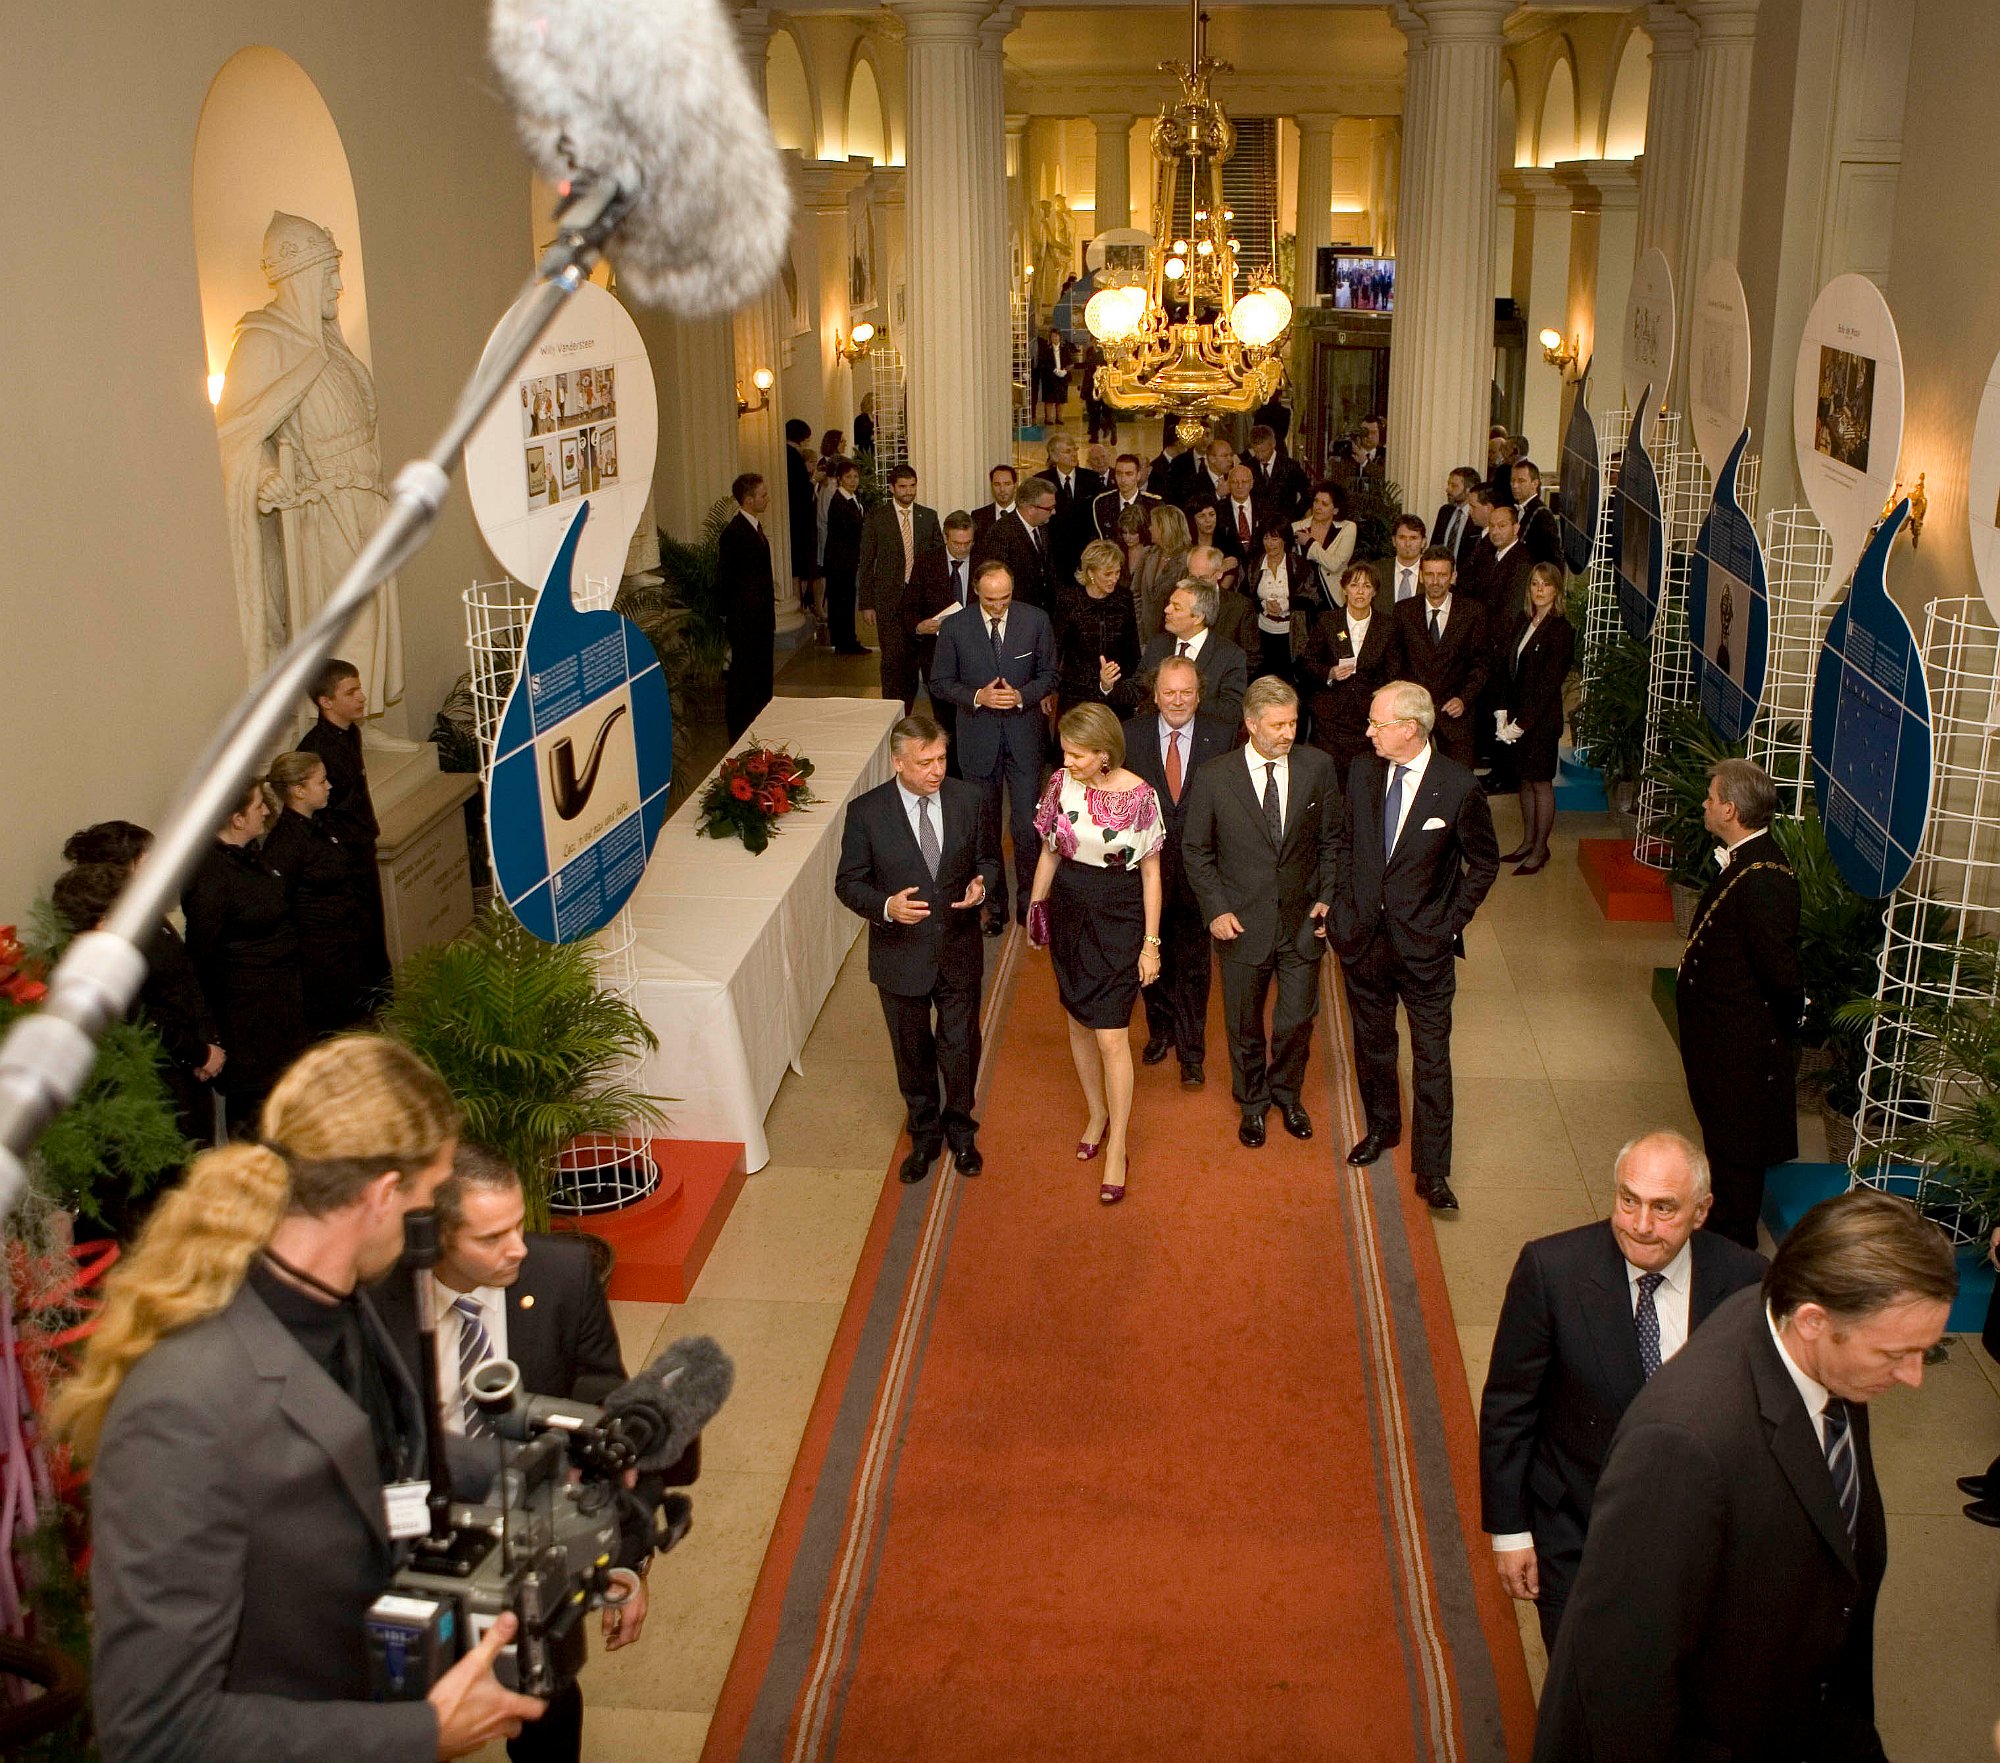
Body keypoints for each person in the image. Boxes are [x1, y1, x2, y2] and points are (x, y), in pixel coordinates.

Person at [60, 1035, 546, 1763]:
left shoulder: (339, 1304)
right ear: (383, 1195)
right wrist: (421, 1734)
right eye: (425, 1199)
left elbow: (384, 1460)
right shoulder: (180, 1409)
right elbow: (155, 1732)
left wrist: (546, 1459)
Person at [1531, 1187, 1958, 1763]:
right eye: (1896, 1354)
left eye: (1923, 1353)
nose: (1912, 1377)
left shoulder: (1820, 1347)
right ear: (1812, 1321)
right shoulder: (1681, 1446)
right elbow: (1621, 1677)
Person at [370, 1143, 639, 1763]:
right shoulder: (377, 1304)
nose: (518, 1247)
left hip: (533, 1542)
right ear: (436, 1238)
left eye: (519, 1225)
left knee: (544, 1704)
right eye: (492, 1237)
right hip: (419, 1542)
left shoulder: (563, 1275)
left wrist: (623, 1560)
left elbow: (605, 1415)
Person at [1479, 1131, 1766, 1649]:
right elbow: (1509, 1406)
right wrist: (1511, 1532)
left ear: (1701, 1212)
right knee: (1582, 1694)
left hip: (1694, 1538)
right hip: (1577, 1530)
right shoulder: (1552, 1271)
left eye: (1664, 1208)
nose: (1640, 1226)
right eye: (1628, 1199)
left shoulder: (1748, 1283)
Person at [1328, 680, 1500, 1209]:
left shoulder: (1457, 786)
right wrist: (1339, 906)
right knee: (1374, 1045)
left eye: (1377, 724)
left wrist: (1449, 924)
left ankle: (1433, 1169)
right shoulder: (1361, 770)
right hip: (1364, 940)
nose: (1368, 731)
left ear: (1409, 728)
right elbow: (1344, 840)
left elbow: (1484, 862)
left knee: (1431, 1059)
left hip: (1425, 947)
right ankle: (1383, 1129)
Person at [835, 715, 998, 1182]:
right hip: (899, 956)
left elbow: (988, 857)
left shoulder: (969, 799)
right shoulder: (866, 812)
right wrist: (886, 906)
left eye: (942, 758)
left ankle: (962, 1133)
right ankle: (924, 1136)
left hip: (958, 949)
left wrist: (981, 887)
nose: (937, 770)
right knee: (912, 1052)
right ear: (898, 762)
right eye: (925, 762)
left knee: (961, 1045)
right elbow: (848, 883)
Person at [1181, 677, 1341, 1149]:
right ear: (1250, 724)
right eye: (1277, 725)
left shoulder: (1318, 767)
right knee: (1244, 1024)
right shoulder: (1214, 776)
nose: (1288, 733)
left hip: (1301, 923)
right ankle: (1252, 1103)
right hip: (1241, 925)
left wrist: (1328, 893)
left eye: (1293, 722)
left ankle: (1287, 1094)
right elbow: (1196, 850)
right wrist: (1215, 909)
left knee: (1295, 1020)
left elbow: (1333, 839)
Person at [1026, 704, 1164, 1203]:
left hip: (1120, 913)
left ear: (1104, 755)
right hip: (1070, 908)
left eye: (1077, 753)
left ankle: (1119, 1143)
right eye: (1065, 750)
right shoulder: (1060, 783)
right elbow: (1049, 848)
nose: (1068, 760)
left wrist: (1151, 944)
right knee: (1078, 1019)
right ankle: (1096, 1112)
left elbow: (1151, 873)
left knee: (1112, 1034)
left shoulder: (1142, 796)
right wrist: (1036, 906)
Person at [1676, 758, 1802, 1249]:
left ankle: (1733, 1256)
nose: (1704, 804)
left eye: (1711, 798)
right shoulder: (1747, 860)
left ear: (1729, 809)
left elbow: (1780, 974)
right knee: (1724, 1151)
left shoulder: (1766, 879)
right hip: (1722, 1045)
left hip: (1741, 1052)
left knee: (1737, 1163)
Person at [57, 822, 224, 1147]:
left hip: (191, 1063)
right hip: (164, 1073)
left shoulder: (149, 914)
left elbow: (186, 979)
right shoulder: (115, 941)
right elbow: (146, 1014)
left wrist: (209, 1040)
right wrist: (198, 1053)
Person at [930, 562, 1058, 936]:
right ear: (976, 595)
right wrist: (976, 696)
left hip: (1024, 740)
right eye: (991, 601)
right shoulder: (955, 627)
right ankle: (994, 904)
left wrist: (1022, 696)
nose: (999, 606)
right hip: (977, 741)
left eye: (1005, 598)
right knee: (984, 829)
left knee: (1025, 826)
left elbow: (1050, 675)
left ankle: (1029, 904)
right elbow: (940, 682)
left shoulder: (1035, 621)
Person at [1124, 657, 1233, 1089]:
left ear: (1199, 695)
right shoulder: (1130, 736)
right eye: (1169, 692)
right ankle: (1160, 1031)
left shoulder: (1221, 736)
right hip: (1144, 874)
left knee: (1193, 965)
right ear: (1155, 695)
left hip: (1198, 873)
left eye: (1186, 692)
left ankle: (1192, 1052)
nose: (1178, 700)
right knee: (1151, 956)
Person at [182, 776, 310, 1136]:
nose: (267, 811)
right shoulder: (210, 879)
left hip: (279, 1004)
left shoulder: (249, 857)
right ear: (237, 819)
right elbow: (200, 959)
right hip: (247, 1019)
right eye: (258, 806)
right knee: (255, 1116)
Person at [262, 750, 382, 1032]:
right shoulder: (285, 845)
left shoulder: (321, 823)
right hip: (322, 964)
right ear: (298, 790)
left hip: (346, 948)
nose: (329, 786)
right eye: (321, 781)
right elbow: (281, 905)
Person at [298, 658, 391, 998]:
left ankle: (381, 996)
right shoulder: (314, 751)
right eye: (351, 692)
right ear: (325, 701)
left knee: (373, 931)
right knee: (357, 935)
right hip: (342, 859)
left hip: (361, 846)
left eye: (359, 689)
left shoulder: (352, 733)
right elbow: (315, 814)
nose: (362, 697)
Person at [1494, 562, 1576, 873]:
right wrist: (1503, 714)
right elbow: (1509, 667)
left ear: (1556, 589)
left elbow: (1547, 685)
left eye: (1546, 584)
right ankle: (1527, 841)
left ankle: (1541, 849)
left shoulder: (1561, 631)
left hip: (1539, 722)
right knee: (1524, 782)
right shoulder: (1523, 621)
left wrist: (1522, 724)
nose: (1539, 590)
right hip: (1517, 718)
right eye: (1534, 584)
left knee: (1541, 782)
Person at [1385, 546, 1490, 769]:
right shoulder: (1403, 611)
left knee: (1459, 784)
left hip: (1456, 715)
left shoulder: (1473, 612)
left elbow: (1480, 664)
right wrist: (1406, 699)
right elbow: (1394, 662)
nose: (1435, 581)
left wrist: (1464, 698)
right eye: (1430, 574)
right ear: (1421, 576)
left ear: (1453, 577)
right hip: (1414, 714)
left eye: (1442, 575)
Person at [858, 463, 942, 709]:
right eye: (903, 487)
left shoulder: (928, 516)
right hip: (888, 601)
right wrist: (866, 603)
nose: (908, 491)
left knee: (920, 659)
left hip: (921, 602)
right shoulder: (877, 517)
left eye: (912, 486)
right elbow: (866, 561)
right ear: (892, 488)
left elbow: (937, 557)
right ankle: (894, 714)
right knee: (894, 662)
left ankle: (915, 708)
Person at [1300, 561, 1394, 775]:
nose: (1360, 591)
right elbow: (1307, 662)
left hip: (1368, 717)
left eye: (1367, 586)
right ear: (1344, 589)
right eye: (1354, 585)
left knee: (1365, 776)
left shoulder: (1387, 626)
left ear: (1375, 591)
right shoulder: (1328, 622)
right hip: (1331, 717)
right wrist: (1329, 672)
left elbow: (1393, 673)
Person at [906, 511, 978, 759]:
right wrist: (919, 625)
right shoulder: (927, 562)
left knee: (974, 715)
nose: (962, 548)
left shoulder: (983, 562)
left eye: (967, 543)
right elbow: (909, 607)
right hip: (937, 654)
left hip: (977, 653)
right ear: (946, 538)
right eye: (956, 543)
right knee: (945, 718)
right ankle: (950, 770)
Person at [1140, 579, 1250, 726]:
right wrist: (1107, 686)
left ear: (1198, 617)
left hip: (1206, 739)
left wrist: (1188, 701)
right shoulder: (1158, 645)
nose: (1167, 610)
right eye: (1169, 603)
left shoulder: (1230, 656)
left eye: (1176, 607)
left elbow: (1233, 710)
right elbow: (1138, 688)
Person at [718, 471, 778, 739]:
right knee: (744, 679)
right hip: (746, 622)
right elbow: (727, 580)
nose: (768, 499)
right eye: (763, 495)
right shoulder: (734, 533)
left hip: (760, 620)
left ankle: (760, 722)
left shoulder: (754, 527)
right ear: (749, 499)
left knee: (761, 677)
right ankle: (741, 731)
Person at [1054, 538, 1142, 716]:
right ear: (1091, 572)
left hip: (1116, 690)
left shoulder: (1124, 599)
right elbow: (1056, 648)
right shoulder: (1069, 600)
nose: (1114, 579)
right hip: (1077, 692)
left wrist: (1129, 689)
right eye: (1108, 574)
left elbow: (1132, 650)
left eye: (1117, 572)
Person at [1248, 515, 1317, 680]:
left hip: (1291, 635)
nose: (1269, 543)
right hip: (1262, 633)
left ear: (1285, 540)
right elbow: (1247, 598)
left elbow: (1312, 598)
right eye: (1266, 538)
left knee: (1287, 679)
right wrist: (1263, 604)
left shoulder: (1299, 565)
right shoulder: (1254, 565)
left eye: (1274, 538)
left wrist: (1286, 604)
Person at [971, 475, 1055, 609]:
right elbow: (997, 577)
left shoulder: (1042, 526)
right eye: (1049, 508)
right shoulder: (1001, 532)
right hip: (1018, 613)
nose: (1054, 512)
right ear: (1031, 509)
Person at [1032, 434, 1104, 585]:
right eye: (1067, 451)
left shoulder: (1092, 479)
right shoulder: (1040, 481)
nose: (1073, 454)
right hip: (1054, 554)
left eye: (1074, 450)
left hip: (1085, 552)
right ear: (1054, 456)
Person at [821, 457, 867, 656]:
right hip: (839, 561)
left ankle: (847, 639)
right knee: (842, 602)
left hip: (846, 560)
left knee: (846, 601)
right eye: (849, 477)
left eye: (856, 476)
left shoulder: (851, 499)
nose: (853, 480)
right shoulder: (839, 501)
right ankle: (845, 642)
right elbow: (850, 531)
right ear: (840, 479)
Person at [1130, 501, 1193, 640]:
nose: (1150, 528)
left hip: (1174, 637)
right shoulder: (1147, 554)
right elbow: (1136, 593)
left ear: (1166, 528)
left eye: (1153, 524)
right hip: (1145, 637)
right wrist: (1140, 627)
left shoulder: (1188, 559)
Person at [1292, 481, 1357, 605]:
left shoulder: (1348, 528)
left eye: (1324, 504)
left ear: (1336, 510)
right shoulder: (1297, 527)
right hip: (1301, 595)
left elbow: (1334, 565)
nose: (1318, 507)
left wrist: (1310, 543)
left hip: (1332, 596)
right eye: (1316, 501)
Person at [785, 417, 821, 611]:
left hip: (793, 518)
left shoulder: (785, 455)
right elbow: (802, 491)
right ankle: (801, 606)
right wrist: (815, 481)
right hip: (798, 521)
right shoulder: (794, 457)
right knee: (800, 567)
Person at [1245, 424, 1309, 521]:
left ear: (1273, 444)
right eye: (1256, 452)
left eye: (1264, 451)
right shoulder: (1248, 466)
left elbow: (1308, 493)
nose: (1260, 456)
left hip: (1284, 525)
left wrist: (1294, 516)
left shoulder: (1290, 466)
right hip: (1256, 527)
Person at [1093, 452, 1160, 543]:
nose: (1123, 479)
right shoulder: (1102, 502)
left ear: (1138, 475)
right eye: (1119, 474)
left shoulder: (1153, 505)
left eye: (1129, 474)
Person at [1511, 458, 1564, 569]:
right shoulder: (1514, 510)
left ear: (1534, 484)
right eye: (1512, 480)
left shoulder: (1542, 515)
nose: (1515, 486)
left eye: (1521, 481)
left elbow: (1553, 557)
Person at [1216, 462, 1264, 572]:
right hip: (1231, 573)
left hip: (1260, 571)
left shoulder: (1264, 508)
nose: (1240, 486)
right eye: (1234, 482)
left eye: (1244, 482)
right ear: (1228, 484)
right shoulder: (1218, 510)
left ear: (1252, 484)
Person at [1430, 465, 1482, 559]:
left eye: (1454, 486)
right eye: (1448, 484)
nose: (1448, 489)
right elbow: (1434, 545)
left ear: (1468, 490)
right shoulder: (1445, 512)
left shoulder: (1478, 516)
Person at [1383, 513, 1428, 607]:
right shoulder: (1377, 571)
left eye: (1413, 538)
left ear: (1423, 542)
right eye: (1402, 537)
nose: (1407, 544)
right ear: (1394, 541)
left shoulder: (1432, 573)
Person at [1334, 414, 1387, 486]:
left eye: (1373, 432)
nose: (1369, 436)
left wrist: (1365, 462)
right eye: (1365, 432)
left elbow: (1384, 477)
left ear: (1379, 434)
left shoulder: (1385, 455)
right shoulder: (1348, 454)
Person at [971, 463, 1019, 539]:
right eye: (997, 484)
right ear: (991, 487)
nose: (1002, 489)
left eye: (1007, 484)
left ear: (1015, 486)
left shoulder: (1026, 514)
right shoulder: (978, 517)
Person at [1034, 324, 1069, 427]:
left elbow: (1069, 361)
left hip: (1062, 378)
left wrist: (1065, 370)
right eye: (1053, 336)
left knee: (1061, 400)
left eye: (1056, 336)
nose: (1055, 338)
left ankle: (1059, 418)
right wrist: (1053, 370)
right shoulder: (1046, 349)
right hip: (1050, 378)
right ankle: (1049, 418)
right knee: (1049, 399)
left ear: (1059, 337)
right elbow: (1043, 363)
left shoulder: (1064, 348)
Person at [853, 391, 876, 458]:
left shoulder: (875, 418)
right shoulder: (860, 419)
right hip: (864, 453)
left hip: (873, 451)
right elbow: (857, 438)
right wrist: (870, 437)